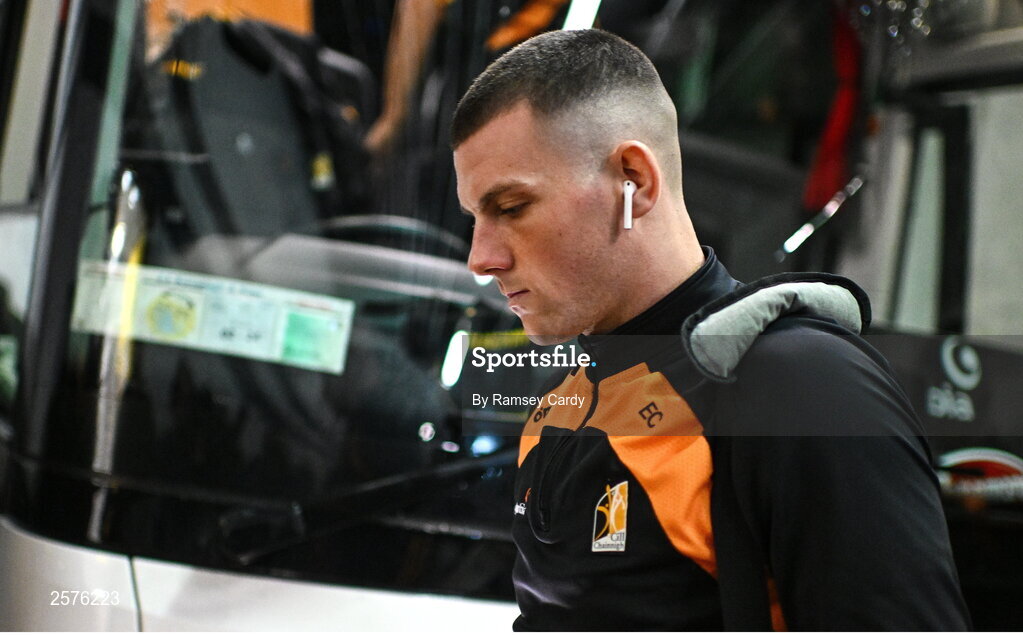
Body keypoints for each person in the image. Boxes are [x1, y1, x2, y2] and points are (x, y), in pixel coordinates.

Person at [452, 29, 971, 630]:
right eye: (474, 219)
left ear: (634, 181)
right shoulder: (562, 406)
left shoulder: (801, 385)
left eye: (511, 208)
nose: (480, 257)